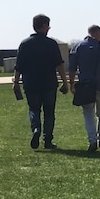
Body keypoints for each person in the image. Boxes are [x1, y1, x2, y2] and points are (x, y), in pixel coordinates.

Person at [13, 14, 70, 149]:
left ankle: (35, 129)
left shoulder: (25, 44)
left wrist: (15, 82)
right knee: (49, 112)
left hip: (31, 83)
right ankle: (48, 140)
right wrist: (65, 82)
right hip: (49, 83)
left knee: (34, 109)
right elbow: (59, 64)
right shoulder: (51, 44)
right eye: (48, 25)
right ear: (44, 26)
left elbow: (18, 65)